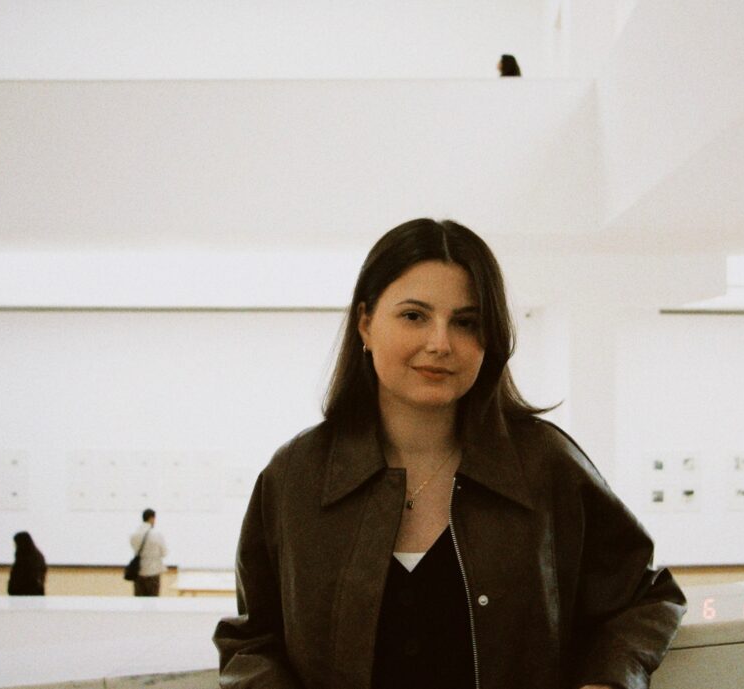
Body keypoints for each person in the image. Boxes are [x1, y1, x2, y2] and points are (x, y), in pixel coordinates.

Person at [214, 218, 686, 689]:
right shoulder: (296, 475)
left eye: (465, 322)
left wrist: (608, 682)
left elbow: (646, 597)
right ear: (366, 324)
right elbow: (251, 640)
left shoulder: (544, 463)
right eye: (414, 316)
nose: (440, 344)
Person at [129, 508, 168, 596]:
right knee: (152, 601)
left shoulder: (134, 535)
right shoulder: (156, 534)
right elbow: (164, 553)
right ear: (151, 518)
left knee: (139, 601)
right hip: (153, 573)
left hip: (139, 572)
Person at [8, 531, 47, 596]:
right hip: (35, 593)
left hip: (24, 594)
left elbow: (20, 577)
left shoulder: (24, 557)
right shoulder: (38, 556)